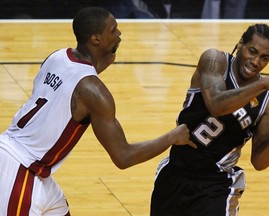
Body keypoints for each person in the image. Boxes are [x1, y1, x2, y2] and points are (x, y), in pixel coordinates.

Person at [0, 7, 194, 215]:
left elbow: (71, 86)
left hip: (27, 163)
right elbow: (123, 157)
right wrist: (173, 136)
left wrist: (100, 62)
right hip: (20, 171)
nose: (119, 34)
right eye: (113, 30)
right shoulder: (93, 92)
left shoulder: (56, 57)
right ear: (96, 39)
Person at [150, 23, 269, 215]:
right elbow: (216, 105)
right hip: (176, 173)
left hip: (216, 185)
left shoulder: (268, 100)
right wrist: (263, 83)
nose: (256, 62)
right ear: (240, 44)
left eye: (264, 58)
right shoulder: (215, 61)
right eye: (252, 51)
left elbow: (260, 161)